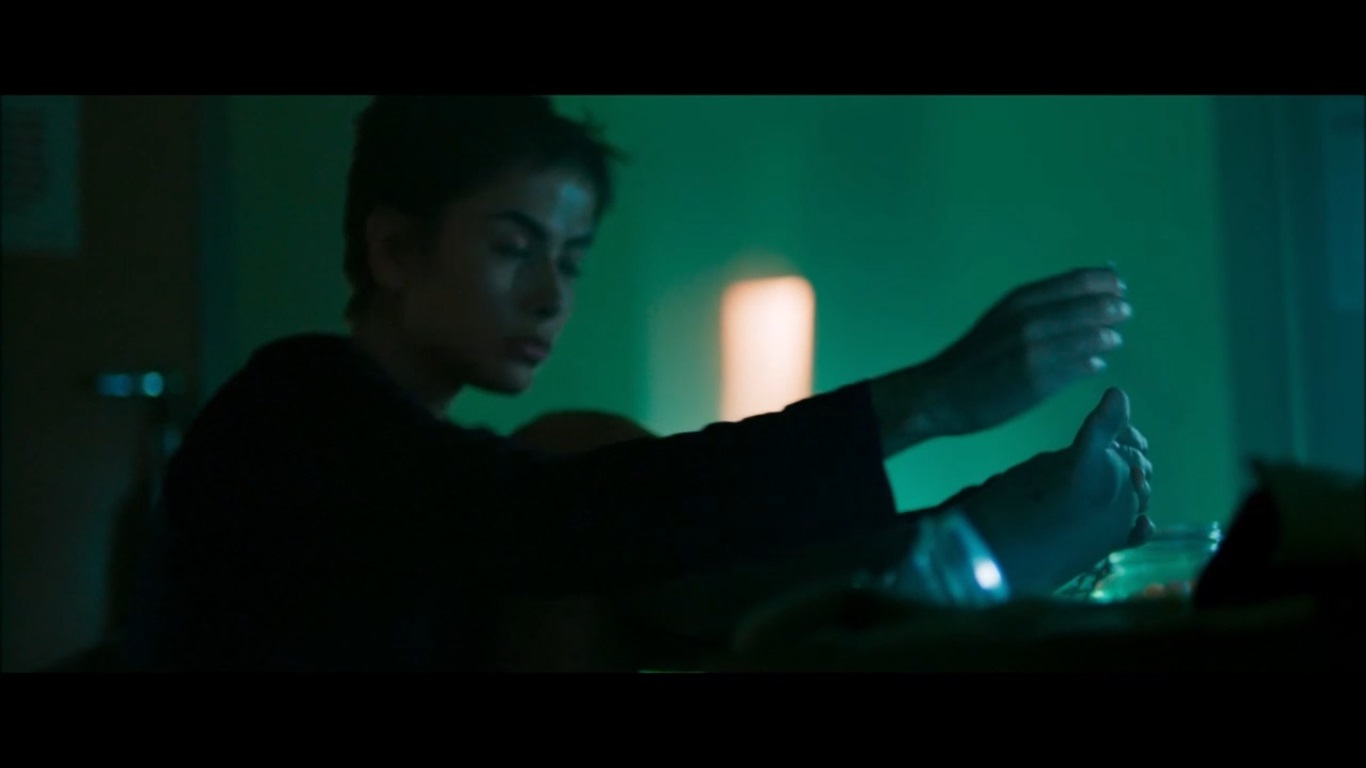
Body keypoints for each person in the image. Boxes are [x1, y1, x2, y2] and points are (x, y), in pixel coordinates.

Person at [123, 95, 1153, 672]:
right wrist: (925, 400)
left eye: (570, 261)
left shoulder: (447, 467)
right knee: (579, 485)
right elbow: (555, 521)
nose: (548, 297)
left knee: (582, 454)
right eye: (513, 247)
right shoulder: (294, 406)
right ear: (394, 248)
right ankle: (928, 572)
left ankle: (921, 575)